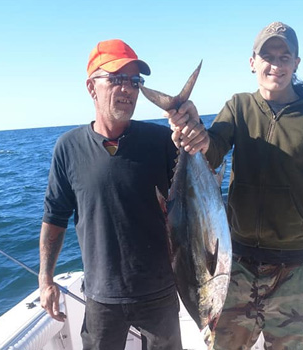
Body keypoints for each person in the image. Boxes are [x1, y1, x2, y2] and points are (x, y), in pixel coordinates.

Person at [165, 22, 303, 350]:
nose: (275, 64)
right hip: (235, 265)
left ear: (296, 63)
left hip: (296, 269)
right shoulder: (239, 107)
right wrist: (191, 130)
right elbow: (213, 148)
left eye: (284, 56)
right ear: (252, 62)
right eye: (267, 56)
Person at [38, 39, 183, 350]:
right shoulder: (68, 147)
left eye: (134, 81)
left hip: (159, 291)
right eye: (116, 79)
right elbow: (55, 217)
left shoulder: (162, 141)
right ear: (92, 87)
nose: (128, 89)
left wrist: (192, 125)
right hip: (101, 296)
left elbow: (203, 178)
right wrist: (46, 279)